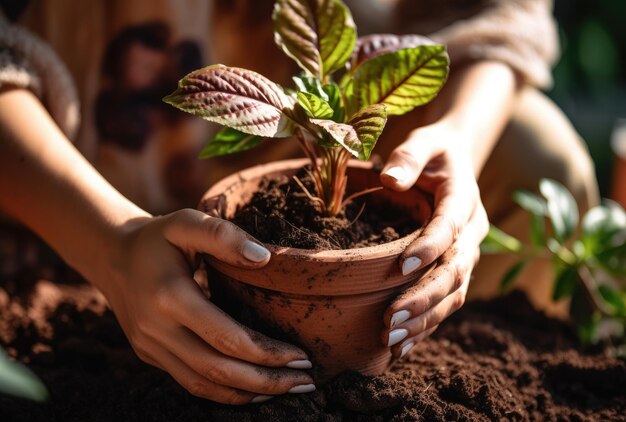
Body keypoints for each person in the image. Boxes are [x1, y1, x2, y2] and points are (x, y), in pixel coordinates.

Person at [0, 0, 598, 405]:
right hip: (66, 166)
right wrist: (113, 241)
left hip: (361, 148)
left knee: (539, 155)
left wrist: (460, 141)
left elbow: (492, 13)